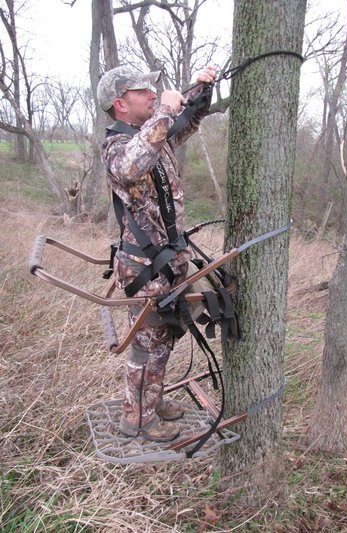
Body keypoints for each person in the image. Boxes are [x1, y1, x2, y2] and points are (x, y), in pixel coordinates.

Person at [97, 64, 217, 442]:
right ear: (120, 103)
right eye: (142, 90)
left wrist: (200, 90)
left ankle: (151, 399)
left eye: (154, 88)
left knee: (164, 337)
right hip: (143, 266)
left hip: (166, 262)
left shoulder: (154, 135)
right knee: (146, 344)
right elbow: (133, 165)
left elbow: (183, 122)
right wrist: (163, 110)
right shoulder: (117, 146)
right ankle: (138, 419)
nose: (152, 93)